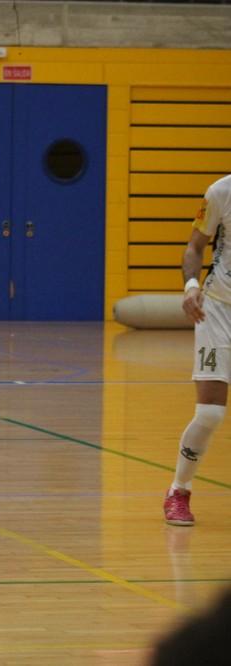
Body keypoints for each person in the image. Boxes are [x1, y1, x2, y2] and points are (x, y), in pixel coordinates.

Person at [164, 173, 231, 526]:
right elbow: (194, 247)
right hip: (217, 308)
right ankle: (179, 490)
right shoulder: (221, 191)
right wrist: (191, 286)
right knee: (210, 414)